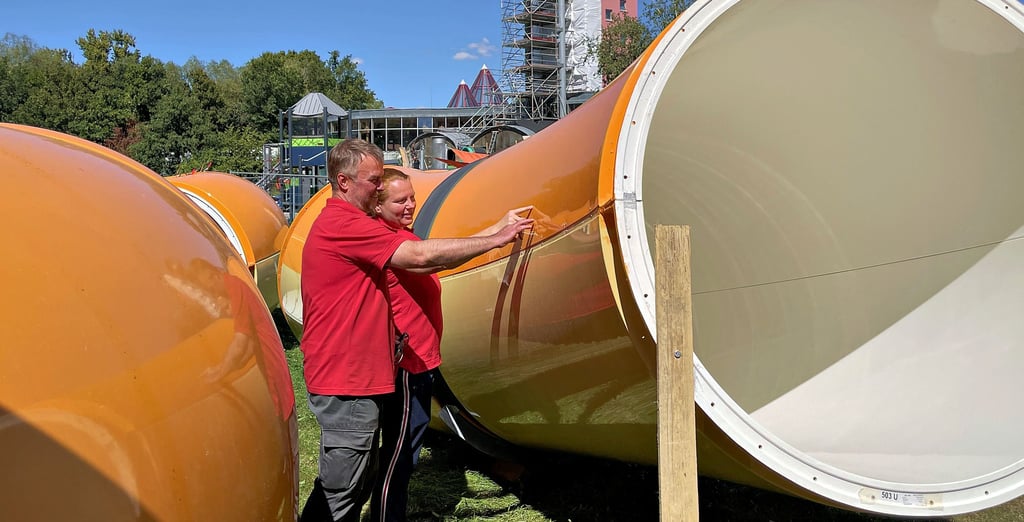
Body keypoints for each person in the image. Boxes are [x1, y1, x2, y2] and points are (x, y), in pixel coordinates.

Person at [299, 139, 534, 522]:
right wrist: (495, 239)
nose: (379, 188)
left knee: (357, 480)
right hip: (346, 379)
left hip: (360, 377)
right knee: (342, 487)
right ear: (343, 181)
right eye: (373, 180)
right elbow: (420, 257)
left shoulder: (352, 223)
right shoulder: (344, 223)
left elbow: (419, 262)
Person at [368, 170, 531, 522]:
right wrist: (496, 238)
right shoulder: (387, 241)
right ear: (377, 207)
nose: (410, 205)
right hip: (406, 366)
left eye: (412, 197)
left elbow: (447, 255)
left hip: (421, 362)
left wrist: (498, 230)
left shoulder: (400, 234)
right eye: (400, 201)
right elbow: (432, 259)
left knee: (404, 450)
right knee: (399, 455)